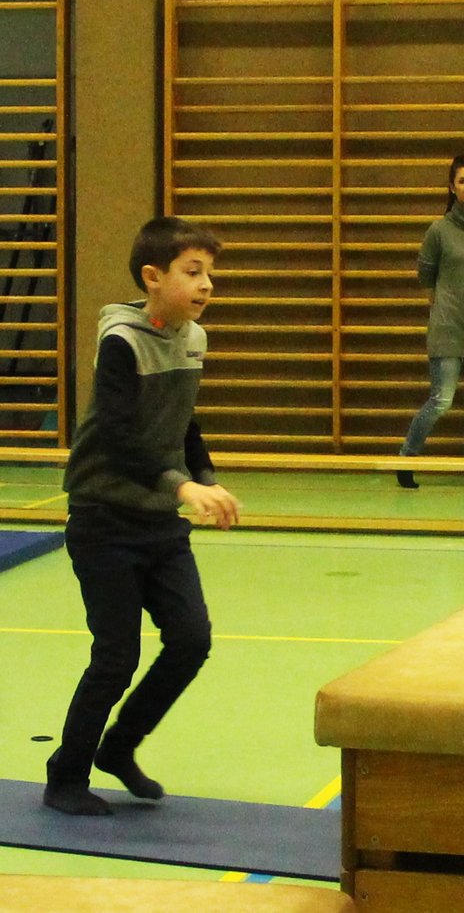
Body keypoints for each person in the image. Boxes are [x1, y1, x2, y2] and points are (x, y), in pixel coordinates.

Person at [45, 216, 240, 816]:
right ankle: (65, 777)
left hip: (159, 523)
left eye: (210, 273)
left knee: (191, 639)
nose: (206, 284)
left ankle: (120, 746)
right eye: (193, 272)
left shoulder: (193, 338)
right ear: (153, 278)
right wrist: (183, 487)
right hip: (104, 520)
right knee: (116, 656)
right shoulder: (121, 342)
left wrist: (206, 477)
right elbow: (120, 438)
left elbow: (183, 421)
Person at [396, 154, 464, 489]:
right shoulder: (438, 231)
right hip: (447, 330)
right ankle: (406, 458)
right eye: (462, 180)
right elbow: (425, 277)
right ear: (452, 188)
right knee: (441, 401)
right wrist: (444, 309)